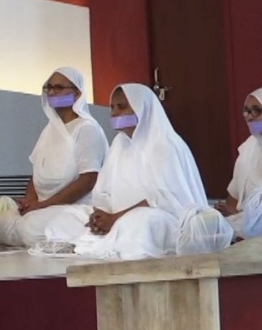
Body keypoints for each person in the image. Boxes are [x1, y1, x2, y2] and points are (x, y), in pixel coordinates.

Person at [37, 84, 231, 259]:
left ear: (142, 108)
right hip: (115, 217)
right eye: (113, 107)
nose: (114, 113)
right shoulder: (118, 144)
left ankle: (114, 241)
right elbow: (102, 190)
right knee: (67, 218)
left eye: (122, 107)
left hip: (162, 219)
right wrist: (101, 214)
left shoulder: (165, 145)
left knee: (140, 224)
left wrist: (115, 219)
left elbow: (164, 199)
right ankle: (98, 238)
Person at [0, 68, 108, 249]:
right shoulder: (49, 130)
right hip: (42, 208)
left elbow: (88, 180)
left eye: (59, 88)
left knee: (28, 229)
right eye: (49, 87)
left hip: (75, 209)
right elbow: (35, 174)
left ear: (77, 94)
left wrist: (44, 206)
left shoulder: (87, 129)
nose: (52, 92)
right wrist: (29, 203)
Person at [217, 87, 262, 239]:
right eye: (246, 111)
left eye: (257, 111)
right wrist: (233, 215)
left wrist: (245, 218)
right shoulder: (250, 147)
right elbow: (233, 199)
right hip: (244, 231)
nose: (249, 117)